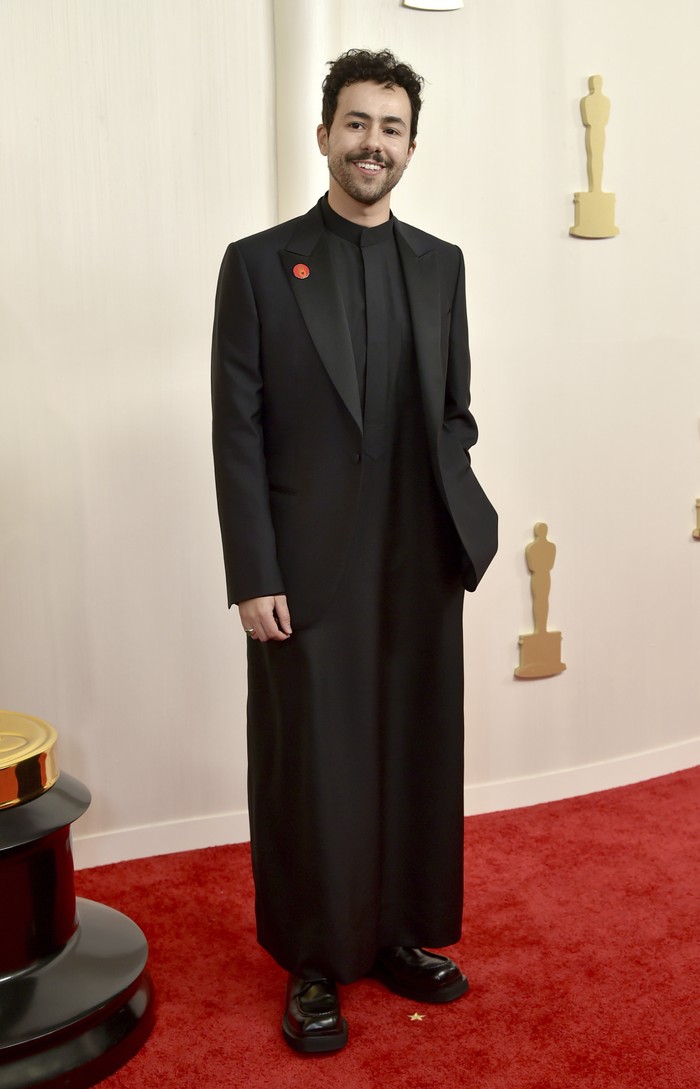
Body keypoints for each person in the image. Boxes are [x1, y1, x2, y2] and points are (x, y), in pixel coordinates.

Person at [211, 48, 497, 1054]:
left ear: (410, 144)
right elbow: (236, 428)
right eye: (356, 123)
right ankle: (316, 963)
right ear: (325, 131)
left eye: (391, 127)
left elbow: (455, 411)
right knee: (313, 770)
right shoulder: (258, 262)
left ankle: (399, 936)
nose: (372, 143)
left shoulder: (442, 264)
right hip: (306, 570)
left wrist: (464, 518)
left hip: (418, 559)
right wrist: (254, 571)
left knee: (415, 754)